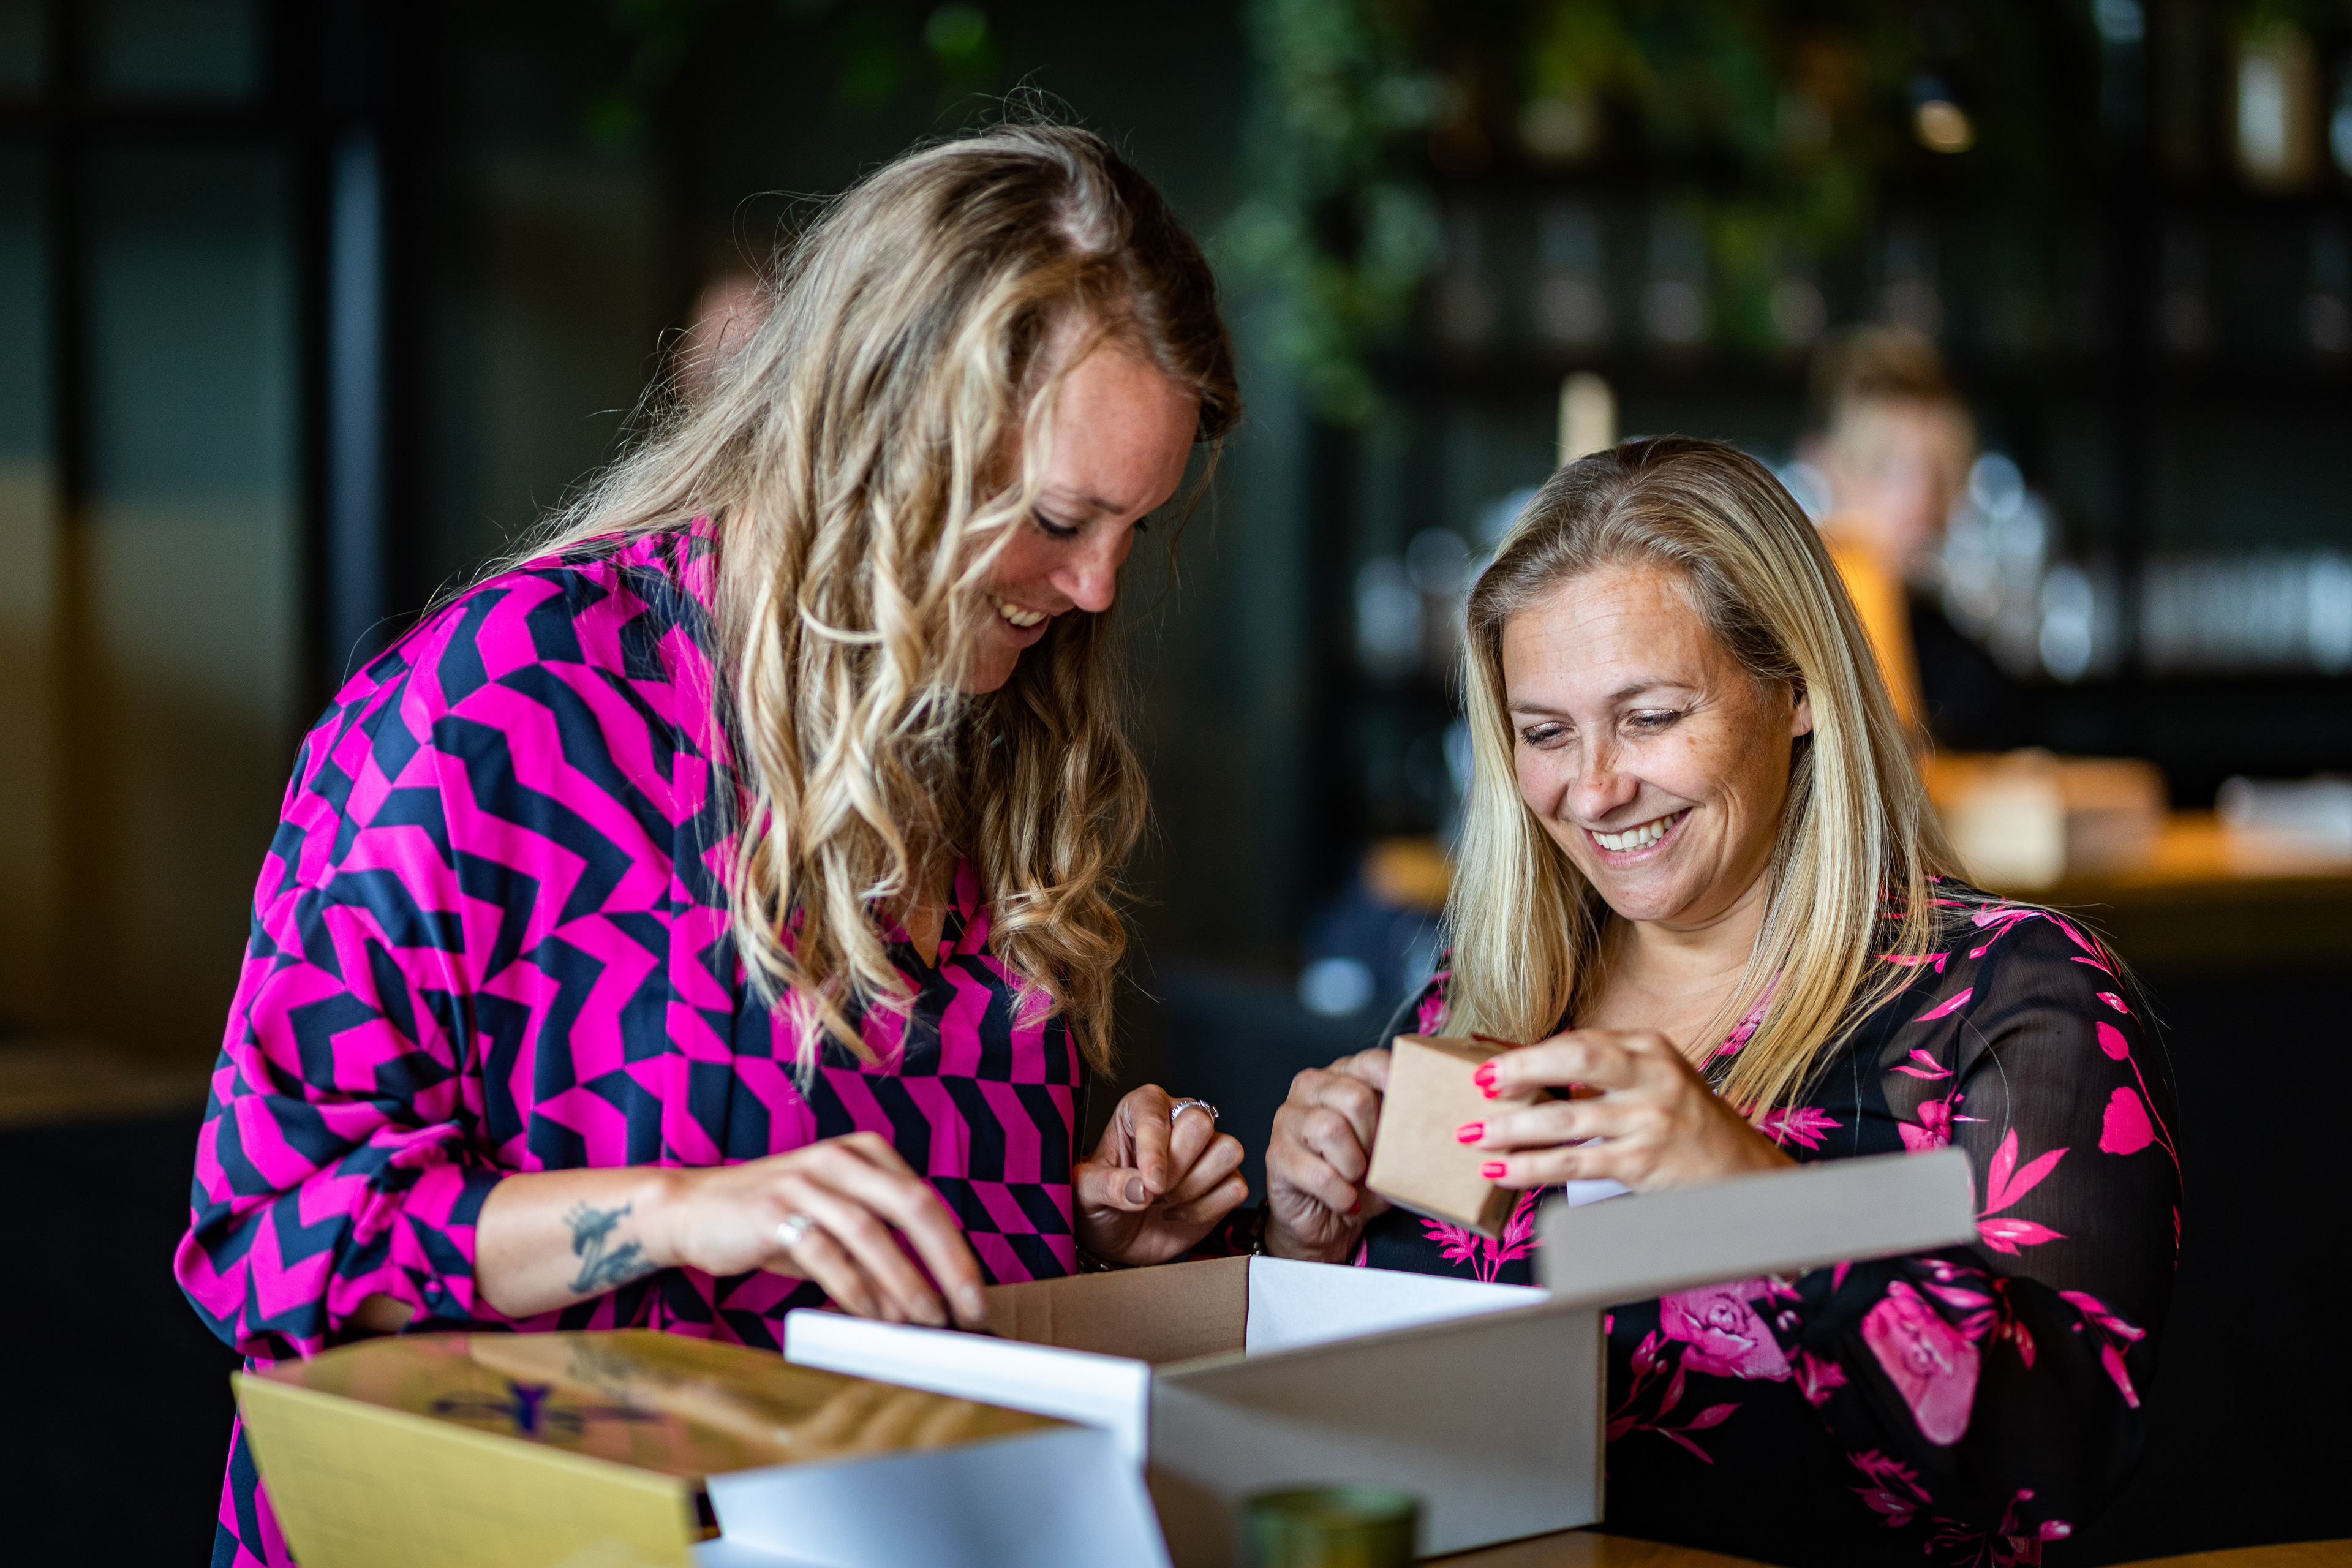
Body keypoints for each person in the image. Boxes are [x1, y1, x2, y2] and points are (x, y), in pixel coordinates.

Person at [177, 124, 1249, 1567]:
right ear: (880, 431)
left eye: (1133, 527)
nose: (1098, 585)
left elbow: (872, 1248)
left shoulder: (991, 725)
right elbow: (273, 1234)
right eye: (1059, 518)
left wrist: (1080, 1225)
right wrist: (677, 1211)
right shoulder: (501, 709)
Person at [1262, 439, 2177, 1566]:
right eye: (1546, 733)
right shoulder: (1491, 990)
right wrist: (1303, 1244)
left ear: (1797, 691)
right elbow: (1358, 1435)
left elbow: (2054, 1467)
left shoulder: (2006, 1002)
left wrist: (1750, 1192)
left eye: (1649, 717)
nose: (1594, 788)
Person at [1805, 326, 2025, 750]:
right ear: (1825, 466)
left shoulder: (1969, 672)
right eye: (1888, 468)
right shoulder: (1775, 643)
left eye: (1941, 471)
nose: (1921, 500)